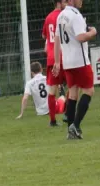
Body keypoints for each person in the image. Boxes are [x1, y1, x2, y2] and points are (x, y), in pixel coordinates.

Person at [54, 0, 96, 139]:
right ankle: (76, 126)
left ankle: (70, 131)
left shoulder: (61, 15)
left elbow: (57, 39)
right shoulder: (75, 15)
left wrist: (57, 62)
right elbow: (81, 37)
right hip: (80, 60)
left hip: (67, 61)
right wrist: (93, 32)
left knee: (73, 94)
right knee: (89, 91)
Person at [42, 0, 67, 126]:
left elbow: (44, 36)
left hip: (52, 58)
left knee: (52, 91)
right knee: (75, 84)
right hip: (66, 56)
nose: (67, 3)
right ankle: (68, 113)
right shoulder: (65, 15)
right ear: (59, 2)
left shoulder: (48, 18)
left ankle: (52, 120)